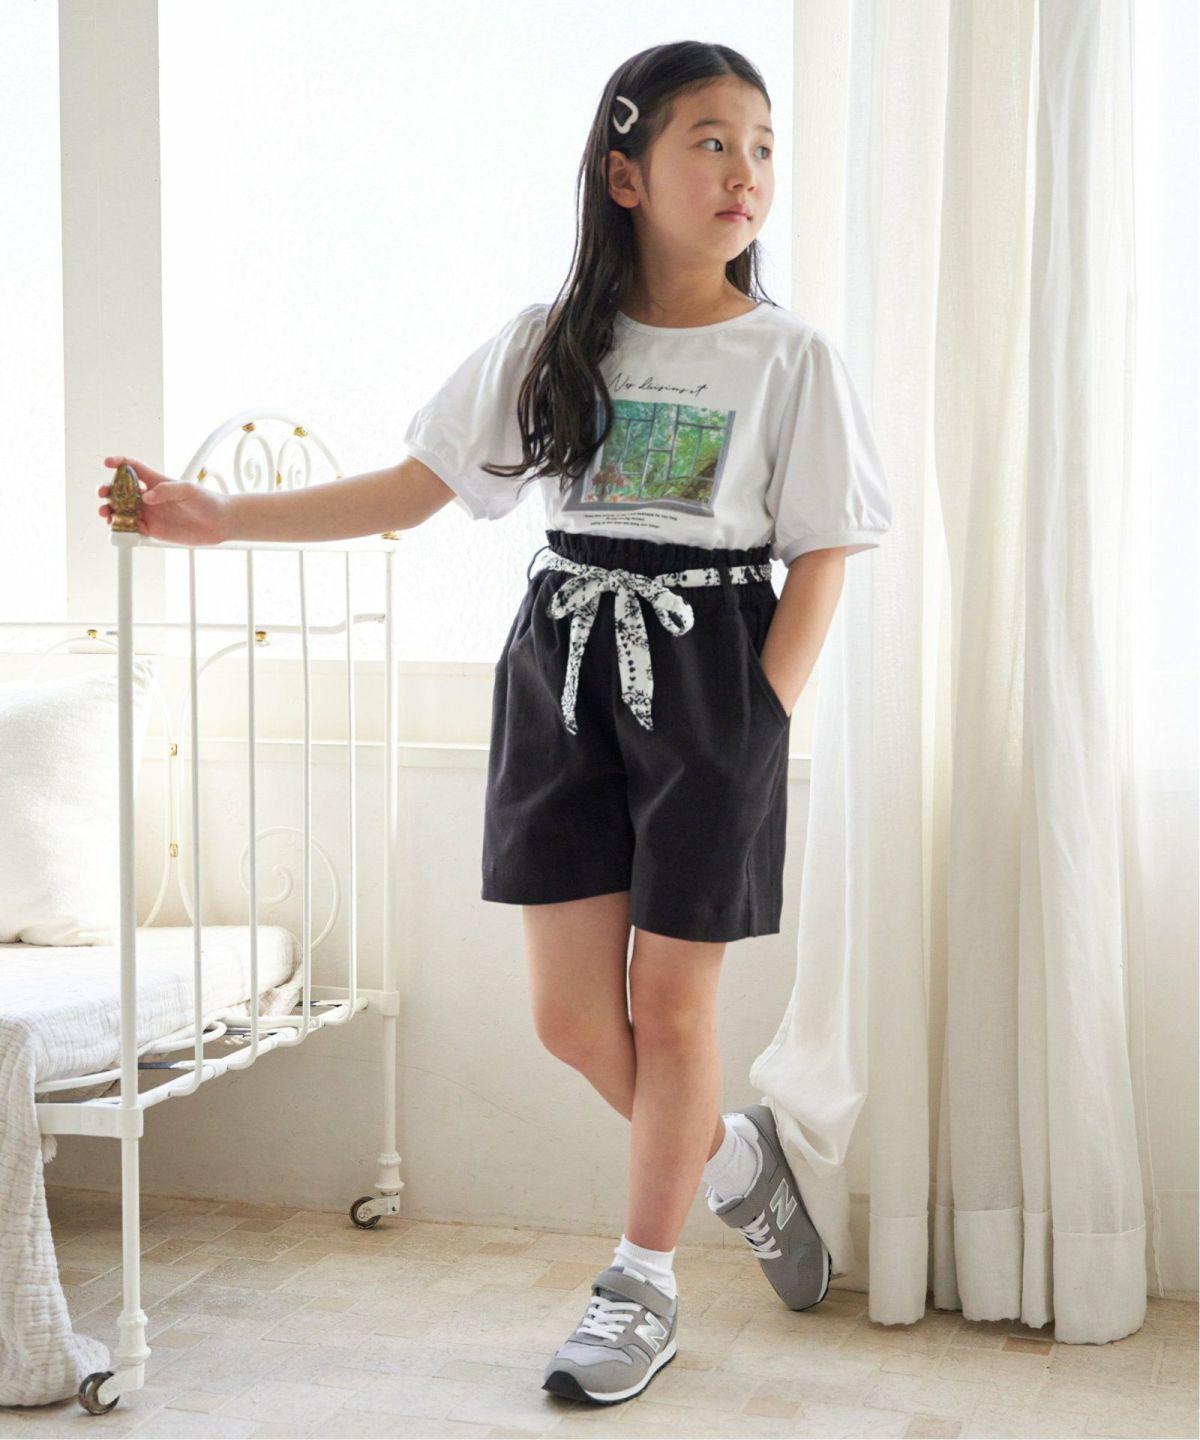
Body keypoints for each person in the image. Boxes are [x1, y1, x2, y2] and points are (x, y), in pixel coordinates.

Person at [99, 39, 893, 1409]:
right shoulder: (551, 342)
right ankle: (733, 1162)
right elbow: (412, 489)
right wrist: (219, 518)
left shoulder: (790, 355)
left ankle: (641, 1283)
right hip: (561, 666)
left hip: (712, 670)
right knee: (574, 1019)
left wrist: (763, 710)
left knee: (672, 1005)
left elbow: (826, 546)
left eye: (763, 146)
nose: (746, 172)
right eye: (711, 141)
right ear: (625, 173)